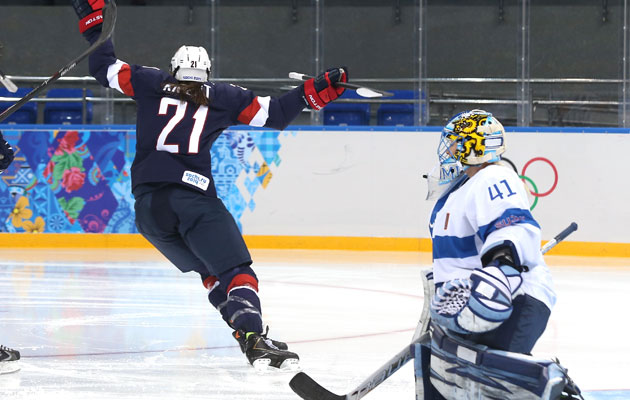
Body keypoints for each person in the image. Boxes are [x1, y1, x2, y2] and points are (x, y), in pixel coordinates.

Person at [71, 0, 347, 371]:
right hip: (192, 201)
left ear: (173, 68)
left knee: (211, 274)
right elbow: (277, 114)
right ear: (207, 72)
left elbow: (102, 66)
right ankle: (253, 336)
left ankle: (242, 330)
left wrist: (93, 22)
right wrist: (313, 91)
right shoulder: (224, 97)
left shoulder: (150, 81)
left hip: (149, 211)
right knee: (238, 272)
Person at [421, 110, 557, 398]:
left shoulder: (494, 177)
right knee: (466, 385)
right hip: (475, 304)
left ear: (475, 146)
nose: (450, 149)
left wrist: (501, 266)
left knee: (495, 387)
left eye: (456, 142)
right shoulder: (460, 188)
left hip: (513, 300)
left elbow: (513, 226)